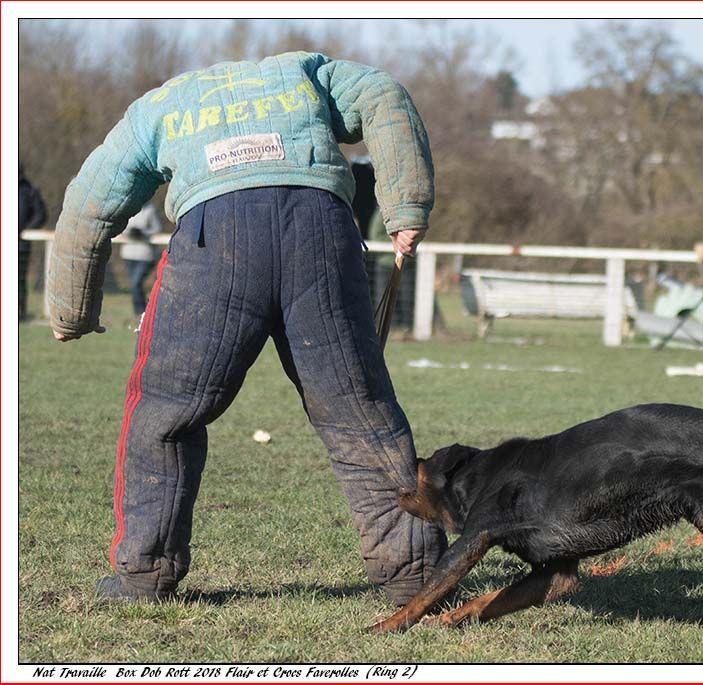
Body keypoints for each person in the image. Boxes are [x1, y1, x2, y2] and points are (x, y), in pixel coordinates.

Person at [48, 51, 446, 605]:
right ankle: (415, 577)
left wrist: (71, 310)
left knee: (164, 414)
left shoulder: (159, 106)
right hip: (321, 232)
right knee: (360, 412)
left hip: (215, 241)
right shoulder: (309, 72)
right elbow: (383, 95)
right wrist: (406, 206)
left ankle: (143, 577)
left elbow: (89, 205)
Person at [121, 203, 164, 317]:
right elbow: (120, 227)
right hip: (128, 253)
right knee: (135, 285)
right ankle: (142, 313)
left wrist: (143, 232)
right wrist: (129, 231)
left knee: (136, 283)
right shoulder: (128, 208)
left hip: (145, 254)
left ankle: (141, 312)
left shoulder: (150, 210)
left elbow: (157, 229)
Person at [18, 164, 48, 321]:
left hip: (21, 245)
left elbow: (40, 214)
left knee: (19, 279)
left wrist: (24, 231)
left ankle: (19, 311)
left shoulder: (29, 191)